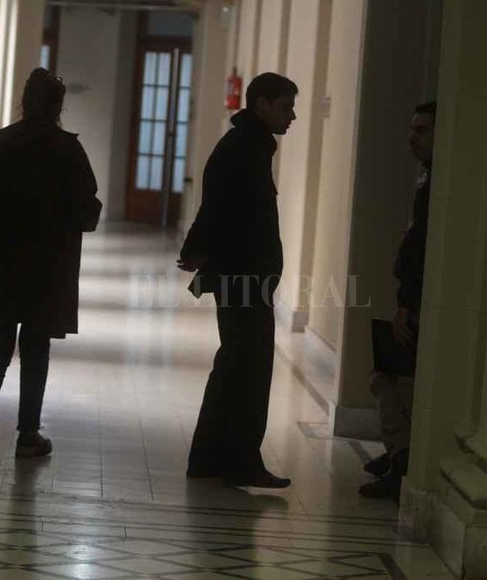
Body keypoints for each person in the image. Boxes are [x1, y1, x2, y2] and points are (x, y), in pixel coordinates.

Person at [0, 68, 102, 471]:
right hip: (47, 267)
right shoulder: (68, 151)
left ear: (24, 100)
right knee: (36, 349)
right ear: (58, 107)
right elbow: (87, 210)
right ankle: (27, 436)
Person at [177, 72, 298, 488]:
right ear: (261, 105)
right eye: (286, 106)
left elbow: (217, 205)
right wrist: (198, 250)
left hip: (244, 275)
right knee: (249, 366)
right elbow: (220, 208)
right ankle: (240, 458)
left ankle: (209, 457)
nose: (293, 116)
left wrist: (196, 251)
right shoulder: (245, 149)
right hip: (244, 277)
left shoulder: (248, 146)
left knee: (233, 364)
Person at [359, 101, 435, 499]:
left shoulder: (439, 184)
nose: (412, 136)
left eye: (422, 130)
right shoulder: (427, 178)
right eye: (412, 128)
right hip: (412, 297)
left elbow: (420, 250)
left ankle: (401, 457)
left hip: (420, 302)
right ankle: (396, 453)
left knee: (392, 381)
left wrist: (408, 303)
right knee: (390, 377)